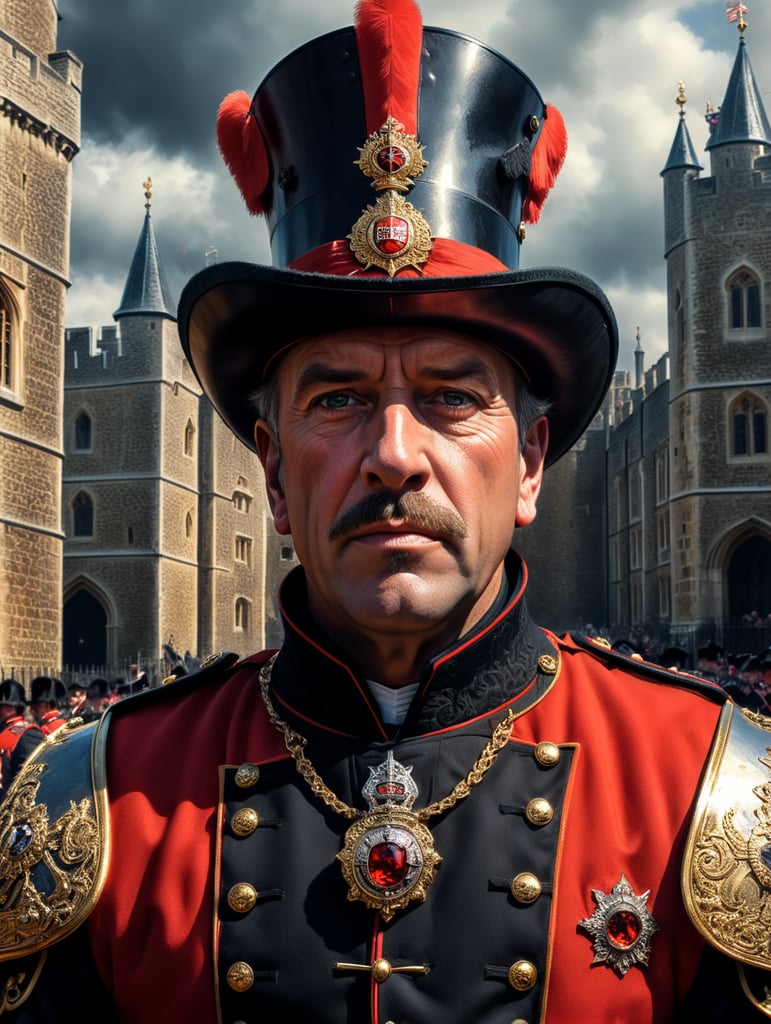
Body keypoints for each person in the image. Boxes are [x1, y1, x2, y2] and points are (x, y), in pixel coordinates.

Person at [1, 1, 770, 1019]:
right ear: (271, 471)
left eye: (452, 395)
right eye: (339, 399)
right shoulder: (96, 798)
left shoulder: (709, 790)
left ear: (532, 462)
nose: (395, 454)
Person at [0, 679, 44, 797]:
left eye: (3, 706)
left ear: (13, 708)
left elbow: (32, 776)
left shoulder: (29, 734)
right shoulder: (3, 730)